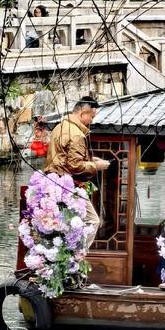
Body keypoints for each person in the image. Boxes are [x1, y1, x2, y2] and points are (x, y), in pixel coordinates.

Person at [44, 95, 111, 252]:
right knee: (93, 221)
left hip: (53, 181)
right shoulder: (76, 134)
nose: (92, 121)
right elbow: (75, 166)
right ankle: (77, 254)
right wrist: (96, 166)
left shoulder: (59, 127)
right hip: (68, 184)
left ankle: (67, 253)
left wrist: (90, 159)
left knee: (64, 224)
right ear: (84, 113)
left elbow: (64, 156)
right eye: (92, 117)